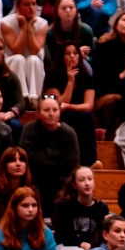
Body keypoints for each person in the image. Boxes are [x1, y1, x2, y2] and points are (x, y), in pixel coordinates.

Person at [18, 94, 79, 210]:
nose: (51, 114)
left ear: (60, 112)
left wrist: (44, 154)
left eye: (55, 110)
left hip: (61, 180)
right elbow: (28, 158)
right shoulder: (29, 129)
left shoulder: (69, 133)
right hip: (36, 177)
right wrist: (55, 158)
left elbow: (72, 165)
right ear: (38, 113)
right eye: (46, 110)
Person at [42, 41, 95, 169]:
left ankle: (90, 161)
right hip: (59, 114)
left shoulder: (86, 76)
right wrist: (70, 81)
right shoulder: (52, 74)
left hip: (77, 112)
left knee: (86, 117)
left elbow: (88, 105)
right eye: (68, 53)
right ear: (62, 57)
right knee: (66, 117)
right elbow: (57, 104)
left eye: (75, 53)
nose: (72, 56)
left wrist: (69, 106)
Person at [0, 0, 47, 104]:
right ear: (17, 6)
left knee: (33, 59)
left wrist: (29, 29)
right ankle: (21, 98)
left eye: (34, 4)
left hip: (35, 64)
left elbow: (34, 51)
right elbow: (17, 50)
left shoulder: (42, 23)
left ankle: (34, 99)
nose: (32, 8)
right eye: (27, 4)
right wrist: (23, 28)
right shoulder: (6, 23)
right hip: (11, 61)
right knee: (19, 58)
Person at [53, 166, 107, 250]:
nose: (87, 183)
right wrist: (81, 243)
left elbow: (101, 235)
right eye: (82, 180)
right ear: (74, 184)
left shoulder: (101, 208)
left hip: (92, 248)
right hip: (65, 246)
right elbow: (63, 235)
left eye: (90, 179)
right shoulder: (65, 205)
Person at [45, 0, 94, 67]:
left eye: (71, 7)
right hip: (58, 68)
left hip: (81, 67)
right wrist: (76, 53)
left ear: (76, 11)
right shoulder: (50, 33)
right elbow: (49, 60)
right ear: (57, 12)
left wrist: (83, 57)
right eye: (63, 8)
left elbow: (93, 58)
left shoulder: (86, 30)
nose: (68, 10)